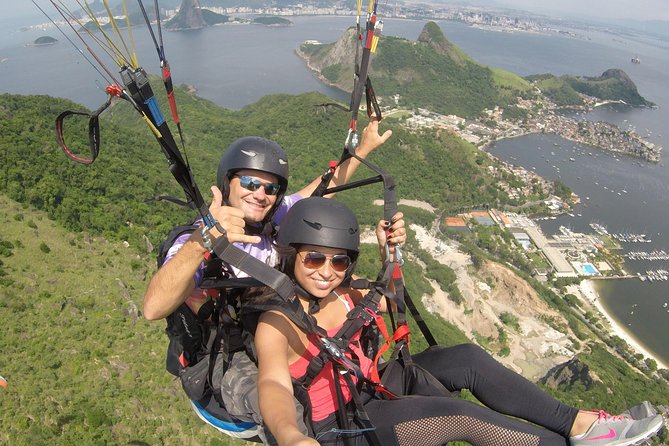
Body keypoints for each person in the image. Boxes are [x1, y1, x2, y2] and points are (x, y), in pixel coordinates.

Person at [254, 197, 664, 446]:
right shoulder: (277, 322)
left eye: (339, 259)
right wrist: (290, 436)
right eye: (314, 258)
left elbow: (388, 301)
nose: (327, 270)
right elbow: (273, 384)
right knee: (460, 417)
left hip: (370, 386)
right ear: (291, 257)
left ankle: (579, 424)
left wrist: (387, 254)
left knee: (465, 356)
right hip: (340, 429)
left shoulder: (346, 293)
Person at [143, 116, 392, 442]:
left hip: (275, 331)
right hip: (229, 354)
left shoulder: (276, 218)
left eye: (270, 188)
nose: (260, 194)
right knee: (282, 407)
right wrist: (204, 241)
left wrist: (363, 149)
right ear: (228, 183)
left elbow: (321, 192)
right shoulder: (196, 241)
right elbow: (153, 307)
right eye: (249, 183)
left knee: (353, 356)